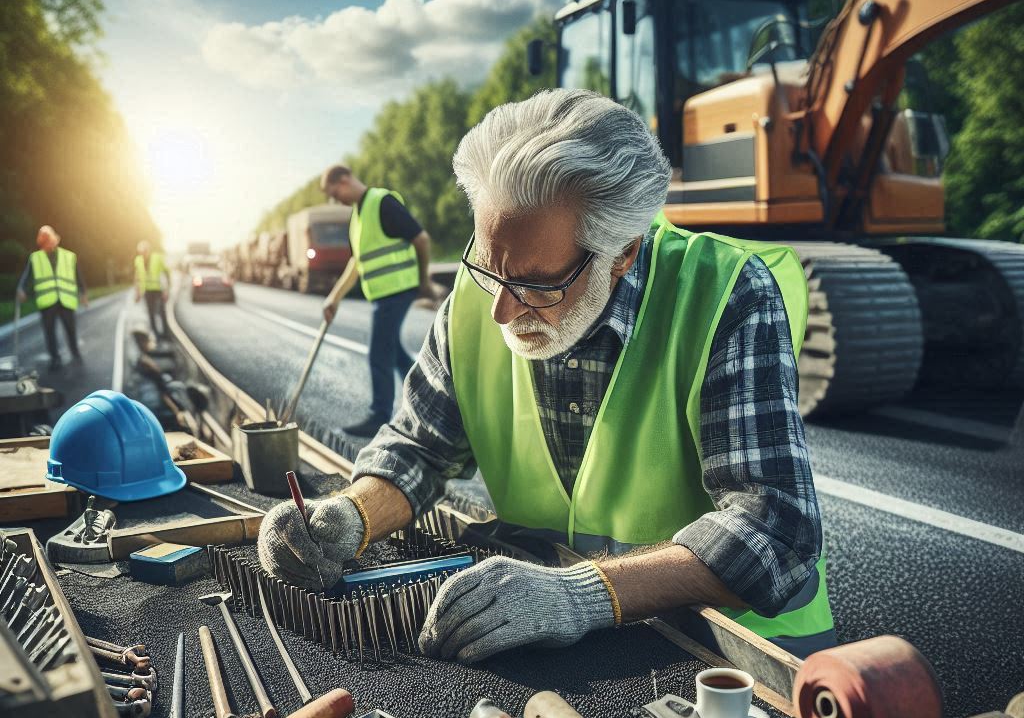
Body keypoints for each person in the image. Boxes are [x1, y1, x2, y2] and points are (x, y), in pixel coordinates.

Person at [259, 90, 834, 663]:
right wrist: (350, 514)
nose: (501, 311)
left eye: (537, 284)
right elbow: (420, 449)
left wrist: (581, 595)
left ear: (622, 254)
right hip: (561, 641)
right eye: (489, 269)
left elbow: (774, 530)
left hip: (733, 659)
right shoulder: (481, 298)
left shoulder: (726, 293)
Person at [319, 165, 443, 437]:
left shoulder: (382, 202)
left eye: (335, 193)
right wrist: (334, 298)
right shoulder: (357, 218)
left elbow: (421, 239)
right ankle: (431, 404)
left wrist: (423, 280)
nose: (336, 200)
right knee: (394, 353)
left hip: (398, 289)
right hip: (384, 294)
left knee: (379, 353)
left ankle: (379, 416)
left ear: (344, 180)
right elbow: (356, 263)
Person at [16, 225, 88, 371]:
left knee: (70, 329)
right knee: (49, 332)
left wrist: (83, 293)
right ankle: (55, 359)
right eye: (44, 242)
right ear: (41, 243)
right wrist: (22, 289)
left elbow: (78, 275)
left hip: (66, 299)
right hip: (47, 301)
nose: (48, 244)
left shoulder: (69, 256)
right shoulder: (35, 258)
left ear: (55, 239)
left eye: (49, 240)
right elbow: (27, 276)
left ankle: (75, 352)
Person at [134, 240, 169, 338]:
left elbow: (165, 273)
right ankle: (156, 334)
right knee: (150, 313)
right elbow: (137, 277)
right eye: (141, 252)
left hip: (158, 290)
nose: (143, 254)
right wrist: (137, 292)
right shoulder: (138, 260)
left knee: (161, 311)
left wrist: (166, 290)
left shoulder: (157, 258)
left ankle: (166, 334)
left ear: (148, 250)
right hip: (147, 291)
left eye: (145, 251)